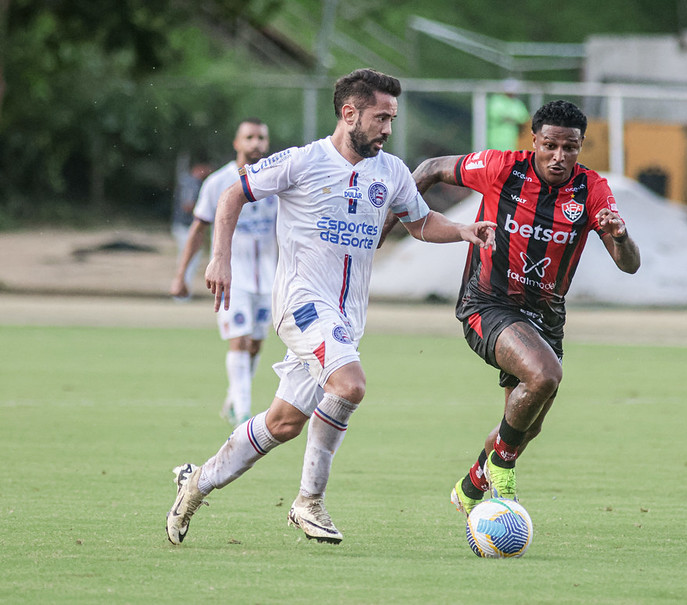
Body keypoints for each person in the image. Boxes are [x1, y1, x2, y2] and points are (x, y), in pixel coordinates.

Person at [165, 68, 496, 546]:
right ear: (349, 113)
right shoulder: (302, 162)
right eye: (381, 118)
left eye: (392, 119)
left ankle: (196, 483)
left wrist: (463, 231)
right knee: (350, 384)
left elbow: (421, 222)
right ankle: (308, 503)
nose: (388, 128)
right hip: (301, 303)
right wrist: (219, 257)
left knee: (283, 423)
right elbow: (234, 191)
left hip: (346, 319)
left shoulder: (392, 172)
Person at [397, 99, 641, 515]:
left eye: (570, 148)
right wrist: (390, 223)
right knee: (544, 375)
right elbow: (431, 168)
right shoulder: (502, 168)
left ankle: (473, 482)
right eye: (550, 145)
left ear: (581, 146)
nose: (559, 156)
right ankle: (502, 474)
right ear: (534, 140)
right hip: (486, 302)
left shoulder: (591, 190)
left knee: (528, 424)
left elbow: (629, 266)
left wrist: (619, 236)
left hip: (545, 316)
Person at [169, 118, 277, 427]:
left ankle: (233, 398)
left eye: (261, 137)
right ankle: (243, 412)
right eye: (250, 137)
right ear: (237, 143)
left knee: (255, 344)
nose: (256, 143)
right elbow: (197, 230)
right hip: (233, 277)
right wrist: (181, 275)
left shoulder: (276, 181)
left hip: (268, 278)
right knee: (239, 340)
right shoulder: (218, 182)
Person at [171, 159, 212, 299]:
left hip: (183, 225)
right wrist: (206, 210)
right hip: (186, 226)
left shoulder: (187, 181)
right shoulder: (192, 183)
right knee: (189, 259)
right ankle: (181, 292)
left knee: (189, 259)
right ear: (199, 167)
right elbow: (188, 205)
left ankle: (182, 291)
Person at [486, 78, 531, 151]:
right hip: (494, 140)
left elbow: (524, 119)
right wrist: (514, 119)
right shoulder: (496, 101)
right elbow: (497, 116)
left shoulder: (517, 103)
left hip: (511, 141)